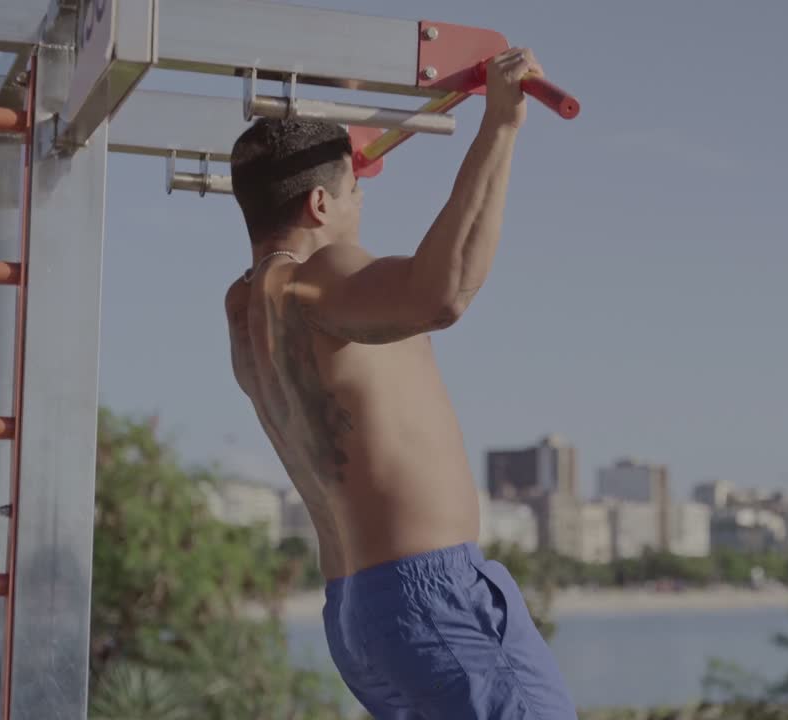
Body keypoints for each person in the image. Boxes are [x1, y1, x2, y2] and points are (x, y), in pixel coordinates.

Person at [222, 48, 577, 719]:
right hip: (431, 599)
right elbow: (441, 294)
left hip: (362, 613)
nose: (363, 205)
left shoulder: (246, 310)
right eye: (357, 191)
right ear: (321, 203)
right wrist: (500, 125)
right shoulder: (318, 277)